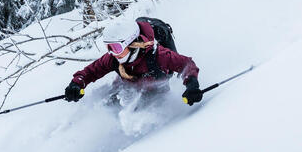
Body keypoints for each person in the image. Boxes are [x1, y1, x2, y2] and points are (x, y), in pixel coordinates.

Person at [64, 16, 203, 105]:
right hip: (127, 85)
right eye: (108, 47)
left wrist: (192, 85)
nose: (112, 52)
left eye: (116, 47)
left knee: (148, 107)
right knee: (108, 103)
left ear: (131, 44)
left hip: (155, 89)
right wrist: (77, 84)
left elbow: (187, 65)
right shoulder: (114, 58)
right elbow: (91, 71)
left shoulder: (158, 55)